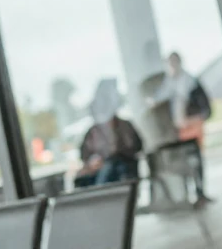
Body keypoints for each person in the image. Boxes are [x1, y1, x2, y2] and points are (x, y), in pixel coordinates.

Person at [147, 53, 213, 206]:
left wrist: (193, 119)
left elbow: (205, 107)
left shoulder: (190, 82)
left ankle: (200, 192)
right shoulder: (170, 83)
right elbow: (160, 97)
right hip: (179, 129)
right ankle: (190, 193)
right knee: (185, 160)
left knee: (195, 159)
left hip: (192, 125)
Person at [75, 79, 143, 188]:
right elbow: (85, 155)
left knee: (111, 166)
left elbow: (137, 146)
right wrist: (93, 162)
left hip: (123, 167)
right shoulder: (92, 132)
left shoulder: (125, 126)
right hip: (98, 171)